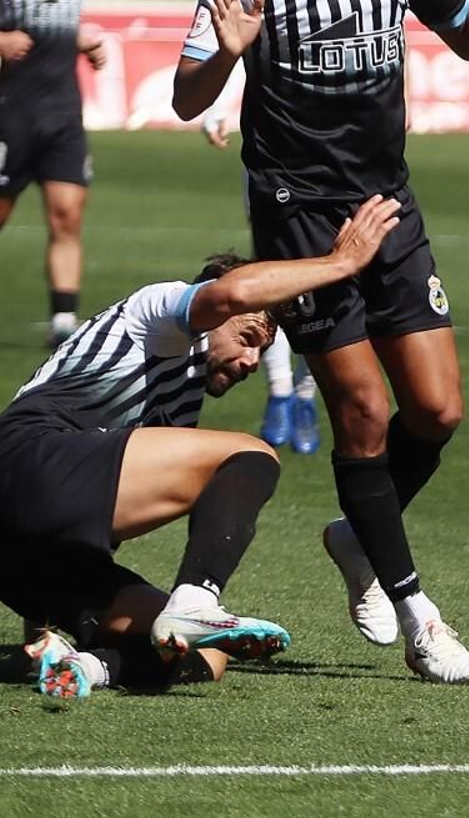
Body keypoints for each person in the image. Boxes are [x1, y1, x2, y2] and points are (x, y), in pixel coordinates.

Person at [170, 0, 469, 684]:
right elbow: (185, 97)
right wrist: (225, 53)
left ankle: (356, 534)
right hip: (299, 215)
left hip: (388, 206)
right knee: (365, 412)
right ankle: (421, 619)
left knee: (438, 412)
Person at [2, 194, 402, 699]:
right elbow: (228, 296)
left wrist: (42, 621)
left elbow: (92, 515)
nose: (253, 361)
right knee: (250, 455)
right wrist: (340, 262)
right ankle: (197, 598)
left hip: (25, 552)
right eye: (248, 337)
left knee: (208, 657)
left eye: (262, 348)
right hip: (22, 458)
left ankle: (85, 668)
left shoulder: (178, 409)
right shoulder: (159, 311)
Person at [200, 0, 321, 457]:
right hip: (275, 154)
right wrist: (219, 107)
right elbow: (232, 45)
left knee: (334, 285)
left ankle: (306, 395)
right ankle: (279, 390)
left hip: (348, 158)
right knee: (279, 279)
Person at [0, 0, 108, 349]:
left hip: (63, 113)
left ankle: (64, 320)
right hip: (10, 114)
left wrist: (82, 41)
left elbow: (59, 21)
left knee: (67, 216)